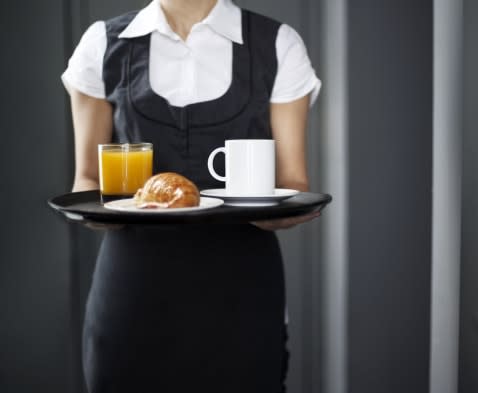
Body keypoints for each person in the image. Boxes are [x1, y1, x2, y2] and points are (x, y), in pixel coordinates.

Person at [61, 0, 321, 391]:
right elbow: (86, 178)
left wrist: (275, 209)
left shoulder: (278, 43)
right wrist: (105, 208)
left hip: (242, 288)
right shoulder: (102, 43)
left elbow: (293, 182)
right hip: (133, 286)